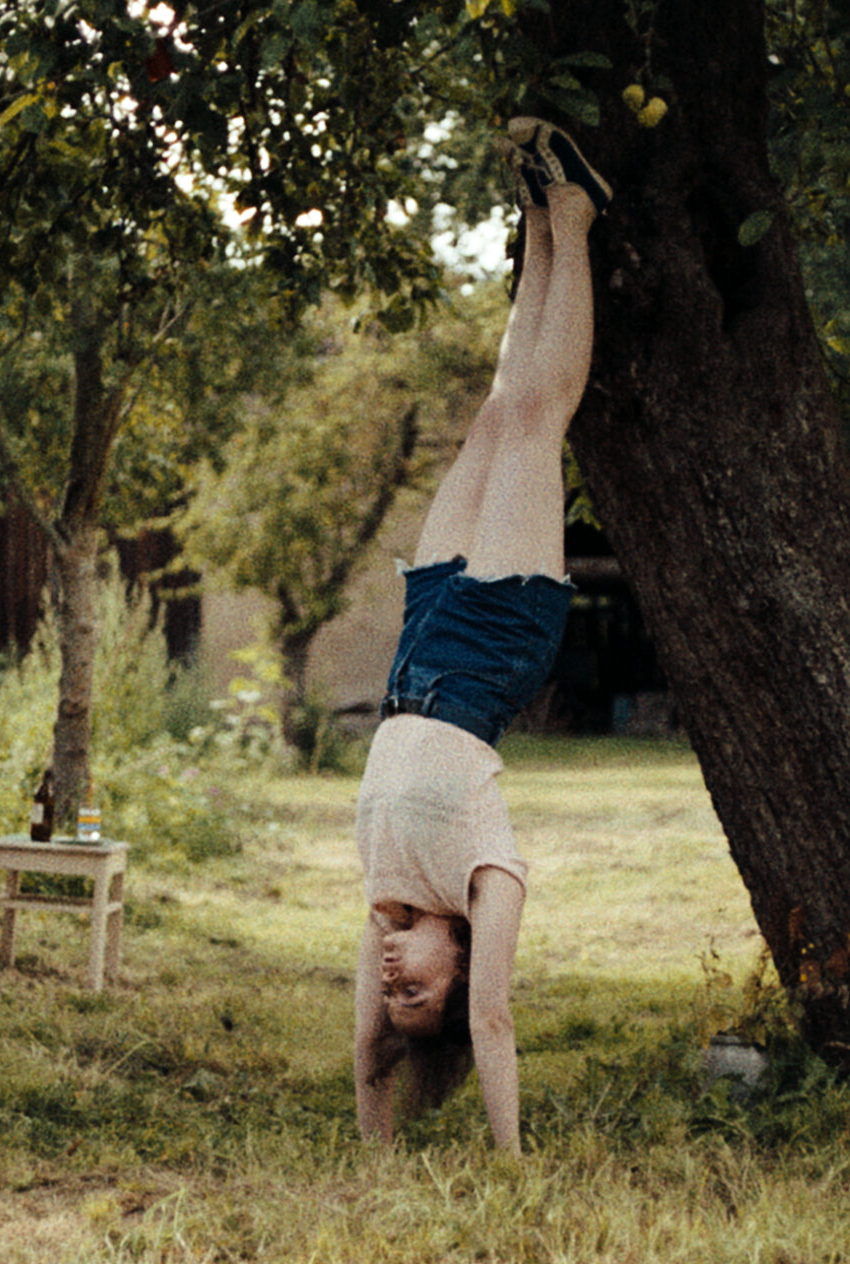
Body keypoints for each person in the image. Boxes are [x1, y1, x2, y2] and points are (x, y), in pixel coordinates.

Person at [353, 116, 611, 1153]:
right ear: (459, 970)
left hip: (420, 647)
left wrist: (376, 1146)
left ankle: (536, 222)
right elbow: (492, 1023)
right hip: (495, 644)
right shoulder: (482, 880)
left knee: (500, 409)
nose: (393, 982)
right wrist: (509, 1165)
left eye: (394, 994)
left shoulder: (384, 896)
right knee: (541, 415)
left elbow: (371, 1059)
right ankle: (578, 222)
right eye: (421, 995)